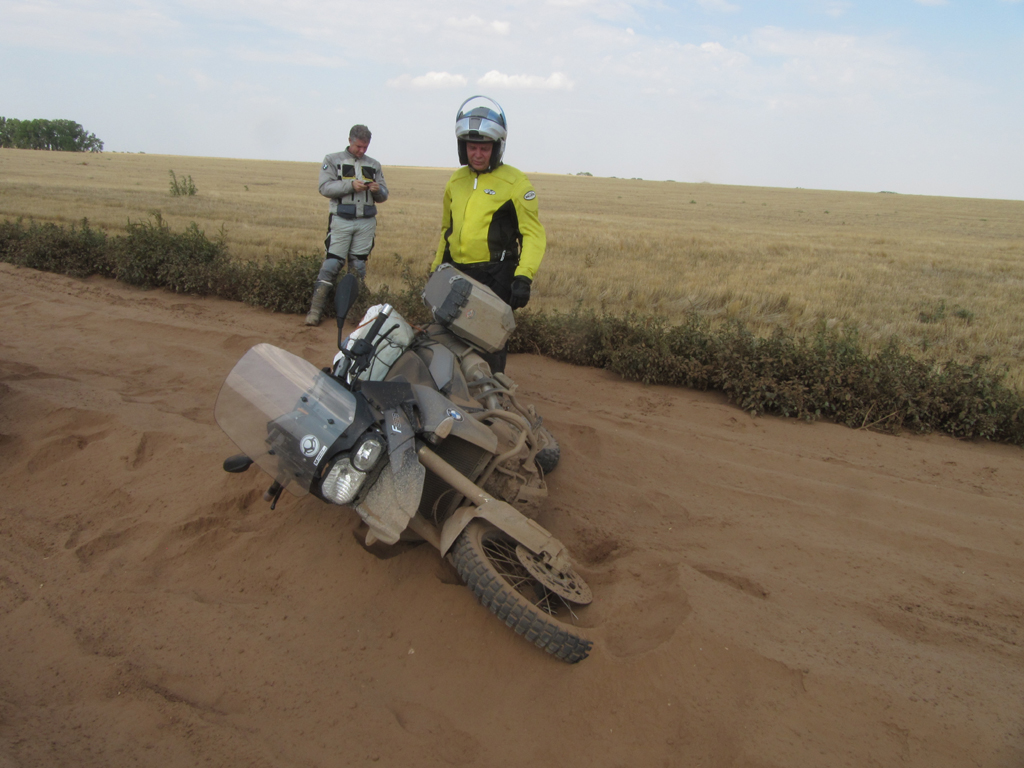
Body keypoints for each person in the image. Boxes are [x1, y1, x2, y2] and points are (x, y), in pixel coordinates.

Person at [429, 96, 546, 373]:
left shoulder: (515, 183)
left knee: (488, 342)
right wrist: (436, 268)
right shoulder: (456, 181)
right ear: (463, 147)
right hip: (457, 272)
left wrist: (523, 277)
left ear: (497, 148)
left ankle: (494, 403)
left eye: (483, 148)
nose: (477, 154)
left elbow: (533, 234)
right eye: (471, 147)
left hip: (496, 276)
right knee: (449, 336)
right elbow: (447, 230)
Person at [305, 124, 389, 326]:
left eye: (365, 147)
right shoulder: (332, 160)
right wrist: (350, 185)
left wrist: (377, 190)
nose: (362, 151)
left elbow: (384, 195)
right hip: (341, 220)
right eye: (359, 146)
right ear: (350, 140)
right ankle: (315, 312)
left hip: (366, 222)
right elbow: (324, 188)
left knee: (358, 268)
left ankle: (352, 314)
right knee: (332, 264)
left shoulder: (374, 164)